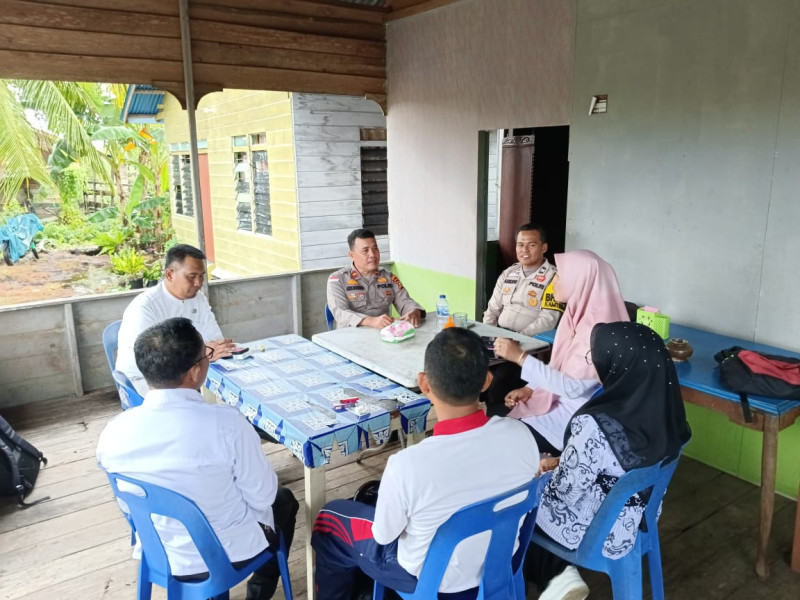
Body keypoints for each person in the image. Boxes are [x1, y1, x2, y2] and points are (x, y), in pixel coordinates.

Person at [310, 328, 540, 599]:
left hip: (430, 582)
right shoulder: (521, 435)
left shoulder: (407, 465)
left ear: (425, 384)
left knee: (331, 519)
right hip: (499, 566)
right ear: (487, 381)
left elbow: (383, 537)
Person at [97, 318, 298, 600]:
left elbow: (128, 507)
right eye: (206, 354)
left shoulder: (113, 431)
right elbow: (263, 495)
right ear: (194, 372)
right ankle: (258, 594)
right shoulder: (228, 425)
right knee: (284, 500)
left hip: (159, 551)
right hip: (223, 553)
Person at [523, 321, 692, 599]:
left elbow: (565, 494)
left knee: (517, 500)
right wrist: (564, 461)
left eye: (597, 358)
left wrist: (540, 476)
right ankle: (556, 577)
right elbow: (618, 464)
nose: (596, 365)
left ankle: (556, 578)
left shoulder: (596, 424)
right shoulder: (668, 411)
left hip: (599, 530)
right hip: (638, 518)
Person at [493, 249, 628, 453]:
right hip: (557, 403)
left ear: (579, 282)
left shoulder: (599, 331)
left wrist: (521, 357)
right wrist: (530, 388)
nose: (553, 282)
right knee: (497, 418)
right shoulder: (576, 313)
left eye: (559, 277)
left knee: (497, 432)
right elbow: (561, 366)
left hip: (571, 420)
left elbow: (572, 388)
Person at [115, 244, 237, 396]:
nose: (198, 283)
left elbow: (216, 341)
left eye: (201, 276)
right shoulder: (144, 307)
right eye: (191, 276)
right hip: (146, 382)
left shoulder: (198, 299)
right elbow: (153, 362)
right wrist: (204, 352)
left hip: (185, 374)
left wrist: (205, 352)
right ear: (169, 275)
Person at [481, 223, 565, 417]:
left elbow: (548, 320)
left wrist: (517, 339)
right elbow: (492, 309)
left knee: (498, 380)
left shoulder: (554, 278)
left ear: (543, 247)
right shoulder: (508, 273)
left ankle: (498, 420)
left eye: (531, 245)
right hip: (498, 337)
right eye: (520, 245)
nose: (524, 250)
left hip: (530, 345)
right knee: (467, 365)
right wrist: (489, 334)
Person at [327, 228, 425, 329]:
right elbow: (340, 312)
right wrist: (370, 321)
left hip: (384, 335)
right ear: (352, 255)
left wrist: (414, 311)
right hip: (351, 337)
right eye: (365, 250)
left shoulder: (388, 277)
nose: (373, 255)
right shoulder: (337, 279)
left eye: (375, 248)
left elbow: (404, 301)